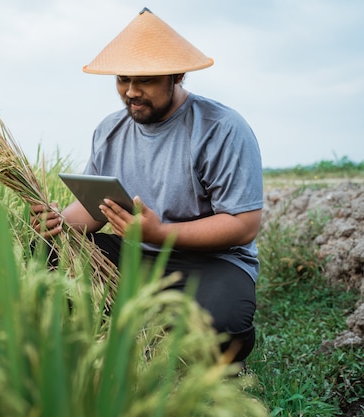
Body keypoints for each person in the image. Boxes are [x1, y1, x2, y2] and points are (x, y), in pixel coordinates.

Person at [30, 7, 263, 362]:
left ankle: (166, 330)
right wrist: (59, 221)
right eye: (123, 79)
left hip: (211, 261)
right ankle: (124, 328)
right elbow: (97, 208)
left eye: (146, 80)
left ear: (178, 75)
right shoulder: (109, 130)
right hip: (139, 254)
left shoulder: (221, 128)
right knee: (47, 254)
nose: (132, 92)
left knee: (224, 331)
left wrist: (160, 233)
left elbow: (243, 225)